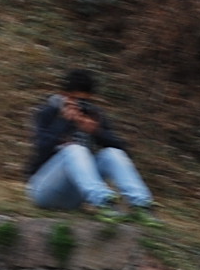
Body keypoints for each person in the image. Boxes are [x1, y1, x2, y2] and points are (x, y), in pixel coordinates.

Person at [25, 70, 154, 221]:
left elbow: (123, 152)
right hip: (43, 190)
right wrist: (63, 122)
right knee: (75, 149)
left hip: (76, 197)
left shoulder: (93, 114)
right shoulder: (48, 112)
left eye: (86, 101)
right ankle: (103, 202)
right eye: (76, 100)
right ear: (64, 95)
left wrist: (97, 132)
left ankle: (141, 205)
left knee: (112, 153)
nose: (81, 105)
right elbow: (41, 149)